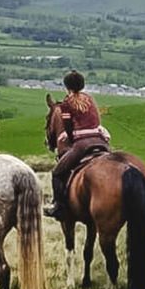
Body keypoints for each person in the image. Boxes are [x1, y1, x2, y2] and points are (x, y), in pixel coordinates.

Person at [44, 71, 109, 219]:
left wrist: (69, 135)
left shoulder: (67, 104)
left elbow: (67, 126)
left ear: (67, 87)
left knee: (57, 173)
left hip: (82, 144)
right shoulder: (90, 99)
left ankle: (59, 206)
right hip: (100, 141)